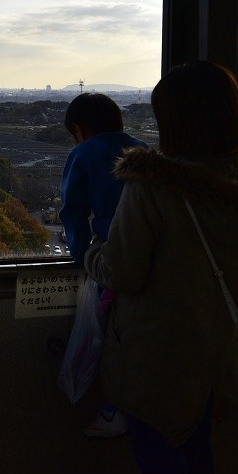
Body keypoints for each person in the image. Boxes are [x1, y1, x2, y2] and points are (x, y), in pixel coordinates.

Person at [84, 60, 238, 473]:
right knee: (197, 454)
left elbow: (122, 271)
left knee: (161, 456)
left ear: (174, 120)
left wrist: (92, 250)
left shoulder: (154, 185)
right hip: (217, 359)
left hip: (158, 364)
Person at [57, 92, 148, 439]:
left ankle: (115, 410)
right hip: (151, 255)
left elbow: (73, 211)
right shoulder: (144, 149)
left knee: (109, 337)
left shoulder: (83, 154)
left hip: (112, 257)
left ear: (79, 129)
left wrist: (82, 256)